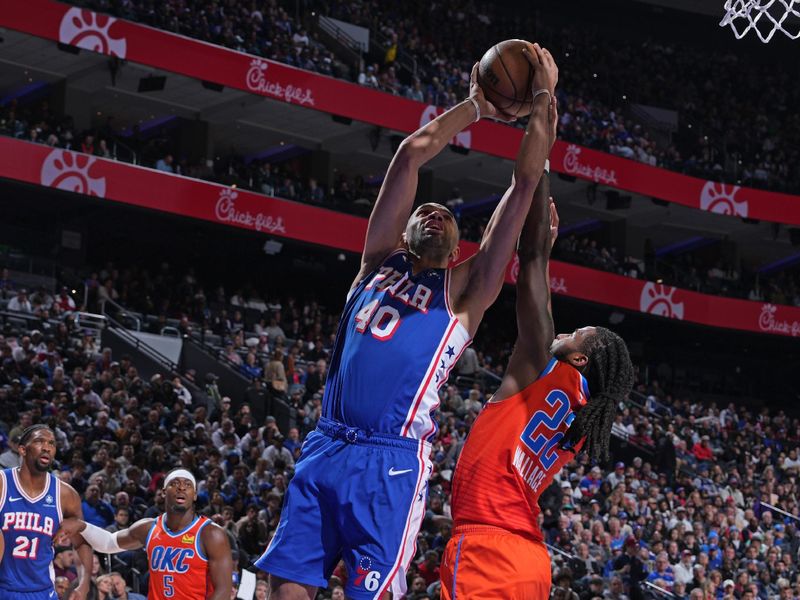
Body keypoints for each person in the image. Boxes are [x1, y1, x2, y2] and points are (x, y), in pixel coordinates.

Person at [256, 43, 559, 600]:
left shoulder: (467, 290)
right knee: (285, 591)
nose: (432, 210)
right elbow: (410, 155)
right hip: (325, 445)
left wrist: (542, 94)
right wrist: (475, 107)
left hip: (390, 462)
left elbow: (522, 187)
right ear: (404, 231)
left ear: (457, 246)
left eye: (445, 214)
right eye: (424, 209)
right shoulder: (375, 261)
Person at [440, 159, 635, 597]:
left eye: (576, 333)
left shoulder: (541, 368)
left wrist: (540, 158)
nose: (565, 331)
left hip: (487, 543)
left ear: (581, 358)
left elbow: (530, 258)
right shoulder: (585, 419)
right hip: (529, 559)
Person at [56, 469, 233, 600]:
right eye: (174, 484)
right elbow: (108, 543)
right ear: (164, 492)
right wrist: (81, 526)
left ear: (194, 495)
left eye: (187, 485)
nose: (181, 488)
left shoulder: (211, 534)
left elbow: (223, 591)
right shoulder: (149, 528)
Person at [0, 425, 93, 599]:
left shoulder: (66, 495)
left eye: (51, 443)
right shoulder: (2, 483)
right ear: (22, 449)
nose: (47, 447)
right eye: (39, 441)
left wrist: (84, 583)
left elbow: (81, 543)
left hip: (43, 592)